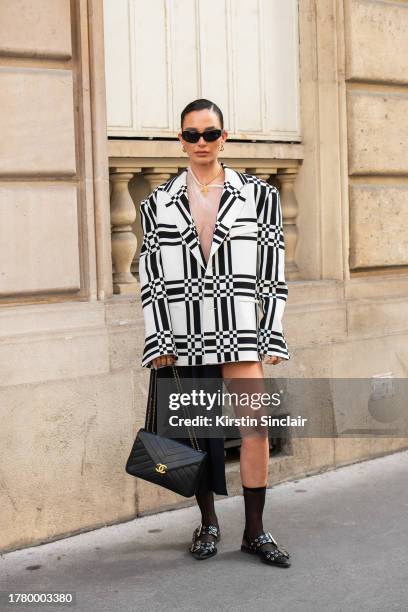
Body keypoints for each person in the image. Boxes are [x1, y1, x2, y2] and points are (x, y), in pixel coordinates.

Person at [138, 98, 291, 567]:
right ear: (180, 140)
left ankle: (255, 531)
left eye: (209, 133)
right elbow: (152, 277)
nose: (201, 142)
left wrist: (272, 332)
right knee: (196, 435)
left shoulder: (259, 196)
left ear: (224, 137)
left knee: (256, 429)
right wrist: (158, 338)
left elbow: (272, 268)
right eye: (191, 134)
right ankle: (207, 523)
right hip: (185, 331)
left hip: (239, 325)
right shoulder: (156, 204)